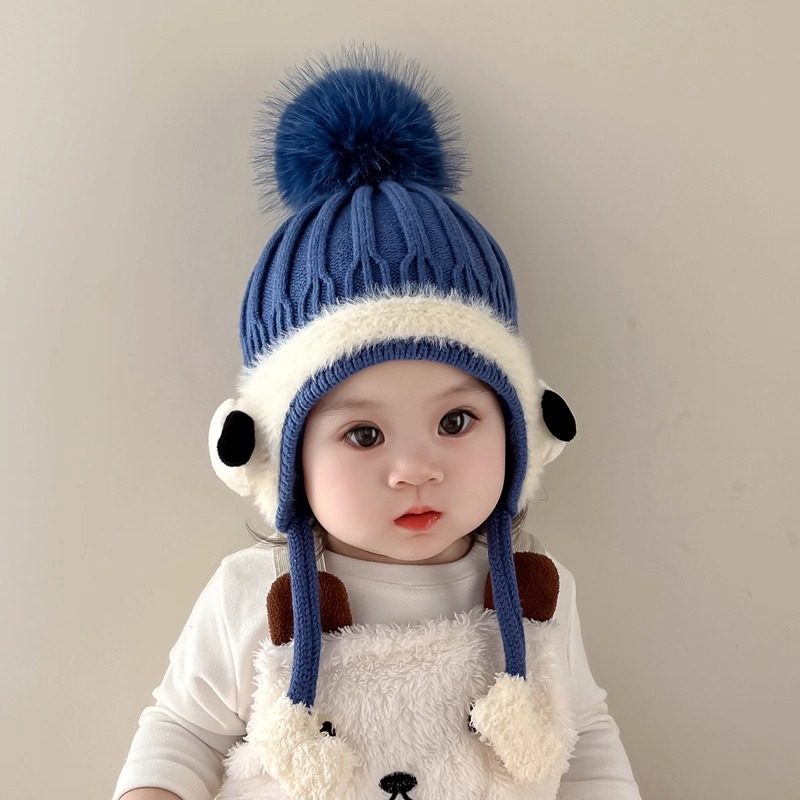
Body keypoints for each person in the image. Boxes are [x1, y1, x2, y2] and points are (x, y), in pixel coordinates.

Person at [114, 44, 642, 800]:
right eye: (363, 435)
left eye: (456, 420)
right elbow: (183, 730)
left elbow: (583, 734)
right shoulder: (250, 591)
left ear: (527, 429)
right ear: (275, 454)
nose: (417, 468)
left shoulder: (537, 596)